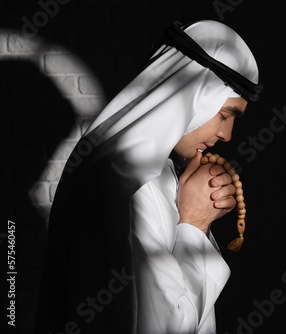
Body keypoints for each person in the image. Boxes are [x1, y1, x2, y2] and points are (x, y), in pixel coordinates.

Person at [35, 20, 262, 333]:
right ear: (193, 95)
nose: (226, 134)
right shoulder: (121, 181)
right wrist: (195, 224)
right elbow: (161, 326)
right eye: (225, 115)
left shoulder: (154, 173)